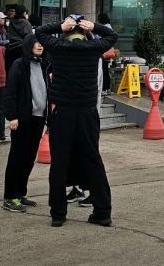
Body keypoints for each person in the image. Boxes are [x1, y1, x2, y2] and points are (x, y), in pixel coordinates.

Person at [35, 15, 117, 228]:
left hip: (62, 112)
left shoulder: (58, 47)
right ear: (86, 32)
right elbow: (112, 36)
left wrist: (62, 26)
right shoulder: (93, 48)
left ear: (66, 33)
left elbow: (40, 32)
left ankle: (58, 214)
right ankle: (102, 212)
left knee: (59, 163)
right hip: (87, 112)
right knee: (93, 159)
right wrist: (94, 26)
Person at [1, 34, 49, 212]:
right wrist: (12, 116)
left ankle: (21, 192)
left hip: (39, 118)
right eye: (36, 43)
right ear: (29, 45)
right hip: (22, 119)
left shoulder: (44, 65)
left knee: (29, 158)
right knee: (17, 157)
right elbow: (10, 92)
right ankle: (9, 196)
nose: (40, 46)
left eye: (42, 43)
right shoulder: (19, 65)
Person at [5, 5, 33, 74]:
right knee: (22, 70)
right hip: (22, 48)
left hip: (11, 48)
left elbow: (9, 33)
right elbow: (30, 37)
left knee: (12, 69)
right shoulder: (26, 23)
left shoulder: (11, 22)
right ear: (24, 13)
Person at [97, 13, 113, 95]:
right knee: (106, 70)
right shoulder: (109, 26)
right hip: (108, 51)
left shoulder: (104, 27)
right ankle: (108, 88)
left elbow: (98, 37)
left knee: (103, 70)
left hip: (104, 52)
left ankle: (104, 88)